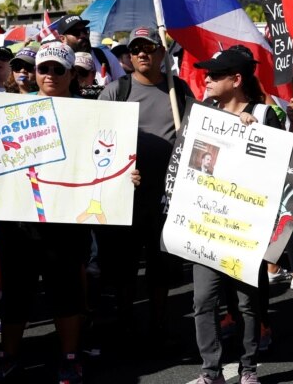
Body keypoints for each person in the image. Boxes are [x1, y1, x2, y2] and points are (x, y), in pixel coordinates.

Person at [0, 42, 140, 384]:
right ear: (34, 72)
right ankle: (8, 357)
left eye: (59, 70)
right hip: (16, 223)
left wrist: (127, 173)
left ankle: (70, 357)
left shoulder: (91, 113)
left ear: (72, 74)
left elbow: (110, 160)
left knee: (66, 295)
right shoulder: (7, 111)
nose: (50, 75)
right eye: (44, 68)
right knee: (16, 296)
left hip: (65, 225)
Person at [185, 48, 277, 384]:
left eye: (215, 74)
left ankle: (248, 369)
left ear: (236, 80)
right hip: (206, 224)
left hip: (244, 228)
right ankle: (211, 372)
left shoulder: (265, 116)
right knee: (202, 300)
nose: (206, 79)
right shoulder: (203, 114)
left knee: (247, 303)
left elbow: (281, 170)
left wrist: (256, 136)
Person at [96, 26, 193, 346]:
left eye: (148, 48)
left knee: (161, 266)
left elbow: (200, 135)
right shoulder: (115, 90)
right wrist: (117, 171)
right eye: (135, 49)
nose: (140, 53)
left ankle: (160, 325)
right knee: (124, 267)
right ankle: (124, 324)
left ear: (161, 54)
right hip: (125, 194)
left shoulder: (178, 90)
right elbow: (95, 139)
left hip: (166, 196)